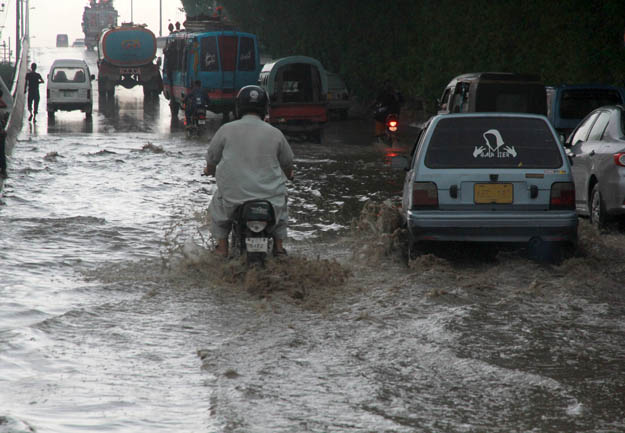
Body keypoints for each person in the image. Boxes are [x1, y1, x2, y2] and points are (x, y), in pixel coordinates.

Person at [203, 85, 294, 257]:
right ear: (265, 107)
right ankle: (279, 247)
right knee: (282, 205)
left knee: (218, 207)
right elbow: (288, 162)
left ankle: (222, 248)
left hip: (234, 198)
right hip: (270, 198)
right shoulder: (275, 133)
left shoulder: (226, 129)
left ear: (239, 106)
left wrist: (209, 170)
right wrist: (289, 174)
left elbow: (212, 158)